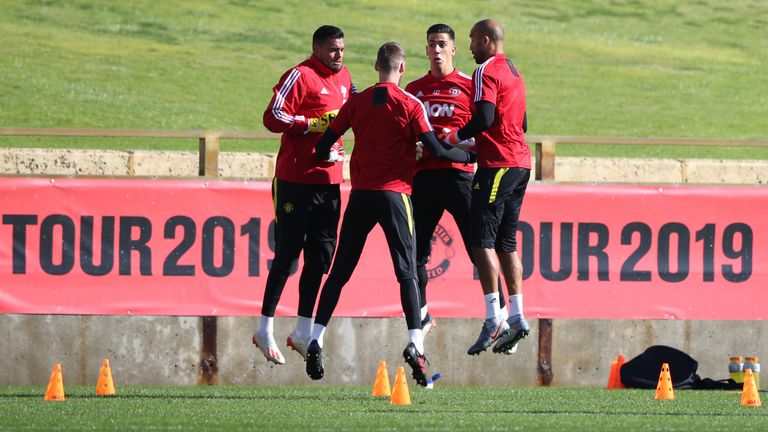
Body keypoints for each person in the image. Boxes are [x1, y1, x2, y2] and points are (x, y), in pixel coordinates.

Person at [306, 42, 476, 386]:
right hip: (396, 195)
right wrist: (470, 159)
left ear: (375, 66)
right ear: (402, 69)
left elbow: (325, 143)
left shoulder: (356, 102)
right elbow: (437, 149)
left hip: (362, 195)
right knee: (407, 272)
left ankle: (316, 337)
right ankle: (415, 343)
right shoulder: (410, 104)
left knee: (339, 271)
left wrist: (331, 156)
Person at [404, 23, 509, 342]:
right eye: (431, 44)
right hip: (423, 178)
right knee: (416, 253)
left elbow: (486, 129)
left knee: (479, 247)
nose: (436, 50)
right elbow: (403, 136)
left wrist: (458, 148)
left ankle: (500, 318)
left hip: (461, 178)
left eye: (442, 44)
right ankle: (421, 317)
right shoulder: (413, 89)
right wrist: (415, 147)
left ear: (453, 50)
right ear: (426, 50)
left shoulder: (468, 84)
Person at [256, 25, 354, 365]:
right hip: (295, 181)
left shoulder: (345, 80)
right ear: (317, 49)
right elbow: (272, 117)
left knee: (320, 259)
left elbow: (354, 114)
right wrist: (311, 124)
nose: (339, 55)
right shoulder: (300, 75)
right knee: (287, 255)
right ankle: (264, 328)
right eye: (332, 49)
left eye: (341, 48)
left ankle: (301, 331)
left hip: (329, 182)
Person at [439, 19, 531, 355]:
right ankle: (519, 316)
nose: (469, 47)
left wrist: (453, 137)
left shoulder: (486, 71)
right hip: (520, 163)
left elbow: (485, 118)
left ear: (486, 40)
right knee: (507, 242)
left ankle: (494, 318)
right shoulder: (514, 70)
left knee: (480, 242)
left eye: (473, 40)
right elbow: (521, 123)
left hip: (497, 166)